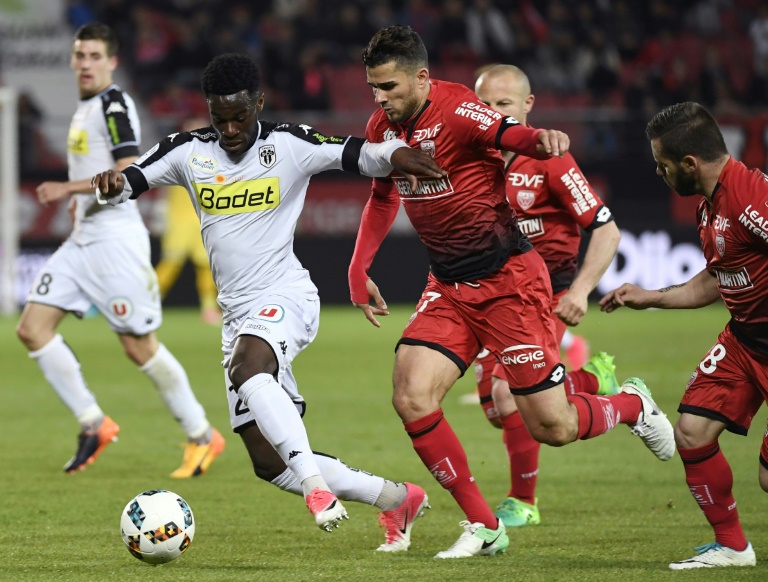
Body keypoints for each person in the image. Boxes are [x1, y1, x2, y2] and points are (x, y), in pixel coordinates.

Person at [93, 52, 445, 550]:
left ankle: (317, 489)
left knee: (249, 368)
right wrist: (111, 185)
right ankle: (397, 499)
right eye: (219, 118)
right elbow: (131, 180)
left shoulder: (288, 144)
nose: (230, 129)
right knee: (267, 462)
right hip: (237, 315)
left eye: (239, 116)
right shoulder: (187, 151)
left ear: (258, 103)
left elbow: (358, 154)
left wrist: (397, 155)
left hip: (286, 295)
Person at [349, 25, 674, 559]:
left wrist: (542, 139)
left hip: (509, 285)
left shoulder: (457, 109)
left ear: (421, 78)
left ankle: (630, 405)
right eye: (373, 88)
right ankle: (485, 525)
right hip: (448, 284)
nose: (380, 98)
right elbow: (382, 197)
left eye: (389, 86)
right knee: (411, 394)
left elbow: (510, 134)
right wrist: (357, 269)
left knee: (553, 426)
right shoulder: (381, 126)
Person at [16, 22, 225, 479]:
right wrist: (80, 199)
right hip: (82, 240)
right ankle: (94, 422)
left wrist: (67, 188)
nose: (86, 64)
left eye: (95, 56)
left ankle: (202, 434)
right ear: (72, 59)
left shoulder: (113, 104)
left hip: (115, 242)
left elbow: (128, 166)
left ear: (112, 61)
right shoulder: (84, 109)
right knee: (32, 329)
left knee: (139, 347)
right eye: (80, 55)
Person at [600, 101, 765, 570]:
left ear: (689, 163)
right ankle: (732, 547)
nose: (659, 172)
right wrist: (650, 296)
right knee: (692, 432)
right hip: (745, 340)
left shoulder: (752, 199)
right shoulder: (710, 205)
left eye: (663, 163)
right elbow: (714, 281)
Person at [472, 64, 622, 527]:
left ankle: (523, 502)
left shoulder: (550, 159)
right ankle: (592, 380)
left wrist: (580, 291)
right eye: (484, 105)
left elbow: (606, 229)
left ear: (527, 105)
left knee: (509, 394)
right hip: (490, 294)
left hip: (545, 293)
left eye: (503, 104)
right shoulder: (467, 156)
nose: (493, 113)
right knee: (496, 408)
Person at [154, 117, 221, 325]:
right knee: (170, 265)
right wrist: (160, 212)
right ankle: (149, 304)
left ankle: (209, 309)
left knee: (206, 267)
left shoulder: (215, 158)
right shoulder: (176, 154)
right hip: (178, 221)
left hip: (203, 220)